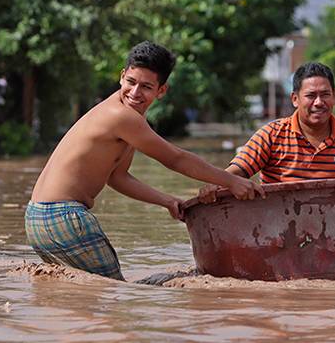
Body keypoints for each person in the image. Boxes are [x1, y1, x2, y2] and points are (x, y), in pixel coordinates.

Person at [26, 41, 264, 280]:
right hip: (62, 217)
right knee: (113, 292)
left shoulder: (123, 116)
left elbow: (117, 177)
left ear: (161, 90)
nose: (135, 92)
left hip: (38, 218)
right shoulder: (122, 117)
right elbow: (176, 159)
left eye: (146, 87)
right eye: (131, 82)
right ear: (122, 76)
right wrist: (231, 182)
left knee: (85, 297)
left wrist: (167, 200)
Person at [198, 62, 335, 202]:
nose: (319, 102)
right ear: (295, 99)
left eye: (325, 94)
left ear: (334, 97)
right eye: (311, 96)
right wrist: (214, 186)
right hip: (278, 228)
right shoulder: (271, 134)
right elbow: (234, 174)